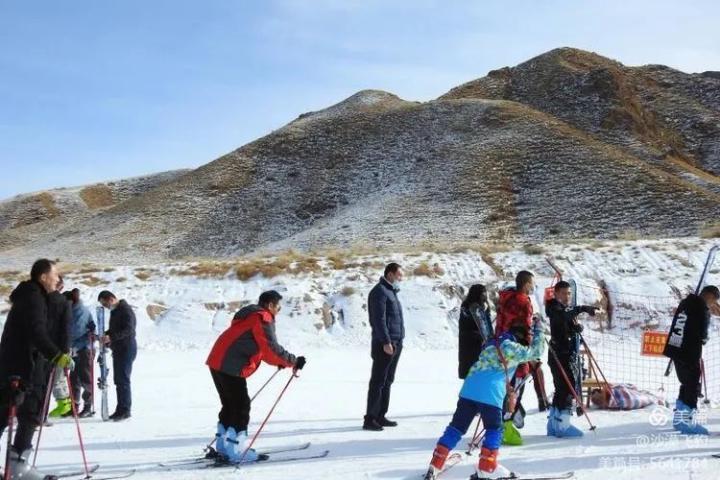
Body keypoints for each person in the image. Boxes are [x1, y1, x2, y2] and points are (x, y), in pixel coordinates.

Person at [423, 319, 545, 480]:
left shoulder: (492, 343)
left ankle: (436, 463)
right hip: (490, 393)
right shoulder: (510, 346)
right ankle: (487, 466)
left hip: (470, 389)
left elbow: (494, 365)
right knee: (495, 429)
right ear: (520, 336)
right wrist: (540, 330)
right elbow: (536, 351)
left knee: (456, 427)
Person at [206, 290, 306, 463]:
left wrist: (281, 361)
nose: (278, 310)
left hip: (218, 360)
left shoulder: (249, 316)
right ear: (270, 305)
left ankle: (224, 446)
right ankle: (235, 450)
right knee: (241, 406)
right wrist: (293, 361)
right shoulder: (262, 317)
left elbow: (259, 347)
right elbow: (270, 348)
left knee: (231, 405)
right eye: (278, 306)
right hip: (229, 365)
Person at [0, 259, 75, 480]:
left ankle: (18, 463)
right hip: (19, 367)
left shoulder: (35, 296)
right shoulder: (33, 297)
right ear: (43, 277)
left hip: (22, 365)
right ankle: (17, 467)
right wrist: (58, 355)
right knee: (22, 413)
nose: (57, 279)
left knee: (23, 413)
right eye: (55, 275)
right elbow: (37, 332)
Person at [492, 271, 547, 444]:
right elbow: (525, 328)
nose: (533, 286)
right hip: (518, 350)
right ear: (525, 284)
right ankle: (505, 425)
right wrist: (531, 352)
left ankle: (502, 422)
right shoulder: (523, 301)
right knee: (515, 388)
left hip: (501, 348)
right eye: (532, 283)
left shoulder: (506, 297)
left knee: (505, 387)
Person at [663, 284, 720, 435]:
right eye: (714, 302)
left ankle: (679, 419)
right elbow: (703, 336)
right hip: (689, 352)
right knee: (692, 385)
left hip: (675, 348)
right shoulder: (701, 309)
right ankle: (687, 422)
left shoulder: (685, 303)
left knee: (686, 383)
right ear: (710, 297)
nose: (713, 305)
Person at [545, 280, 596, 437]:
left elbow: (563, 323)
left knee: (561, 388)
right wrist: (581, 308)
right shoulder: (553, 306)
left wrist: (574, 329)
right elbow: (561, 316)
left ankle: (554, 423)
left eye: (569, 293)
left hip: (564, 352)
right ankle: (563, 425)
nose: (567, 296)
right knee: (568, 387)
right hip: (559, 353)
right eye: (564, 293)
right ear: (556, 293)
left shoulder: (563, 308)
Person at [364, 262, 405, 431]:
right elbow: (378, 320)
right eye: (399, 275)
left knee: (388, 380)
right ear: (390, 274)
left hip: (396, 342)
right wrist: (386, 342)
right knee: (378, 381)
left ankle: (381, 415)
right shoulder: (379, 292)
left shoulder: (391, 292)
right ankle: (370, 418)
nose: (401, 278)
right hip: (385, 344)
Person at [98, 290, 137, 421]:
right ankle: (120, 408)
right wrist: (105, 335)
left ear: (111, 299)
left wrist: (111, 337)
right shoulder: (115, 311)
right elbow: (115, 329)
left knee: (123, 380)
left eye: (105, 304)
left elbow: (128, 329)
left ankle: (125, 410)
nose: (106, 307)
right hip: (119, 348)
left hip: (126, 348)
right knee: (118, 380)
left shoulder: (125, 310)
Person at [66, 288, 96, 418]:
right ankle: (74, 406)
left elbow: (75, 332)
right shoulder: (73, 310)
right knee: (74, 379)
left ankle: (88, 406)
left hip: (84, 349)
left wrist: (69, 345)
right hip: (76, 350)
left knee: (85, 379)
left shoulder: (79, 311)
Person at [47, 275, 73, 418]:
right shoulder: (58, 302)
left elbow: (67, 329)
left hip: (56, 349)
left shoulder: (61, 304)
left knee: (56, 378)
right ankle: (65, 403)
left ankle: (63, 403)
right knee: (60, 377)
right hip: (56, 347)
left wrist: (64, 350)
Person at [458, 284, 493, 379]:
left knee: (470, 373)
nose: (485, 295)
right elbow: (483, 327)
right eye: (483, 293)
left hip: (468, 344)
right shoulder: (474, 307)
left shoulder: (467, 305)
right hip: (475, 344)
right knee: (476, 373)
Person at [589, 384, 667, 410]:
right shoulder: (610, 389)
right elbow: (631, 386)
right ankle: (658, 400)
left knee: (643, 397)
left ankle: (658, 400)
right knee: (643, 396)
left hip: (630, 400)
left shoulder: (605, 404)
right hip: (632, 398)